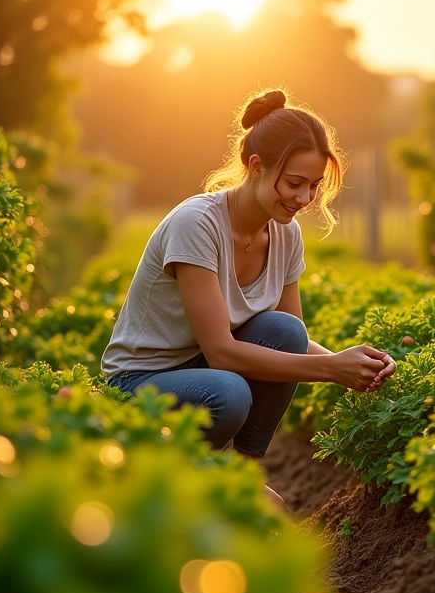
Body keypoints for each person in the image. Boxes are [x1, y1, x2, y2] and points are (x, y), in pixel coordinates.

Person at [101, 89, 396, 510]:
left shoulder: (285, 234)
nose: (304, 199)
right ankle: (193, 481)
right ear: (256, 167)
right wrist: (332, 369)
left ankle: (242, 476)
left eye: (313, 186)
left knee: (284, 329)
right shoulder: (197, 224)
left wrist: (354, 364)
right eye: (295, 183)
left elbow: (295, 340)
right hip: (140, 381)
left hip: (202, 369)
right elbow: (221, 352)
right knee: (230, 393)